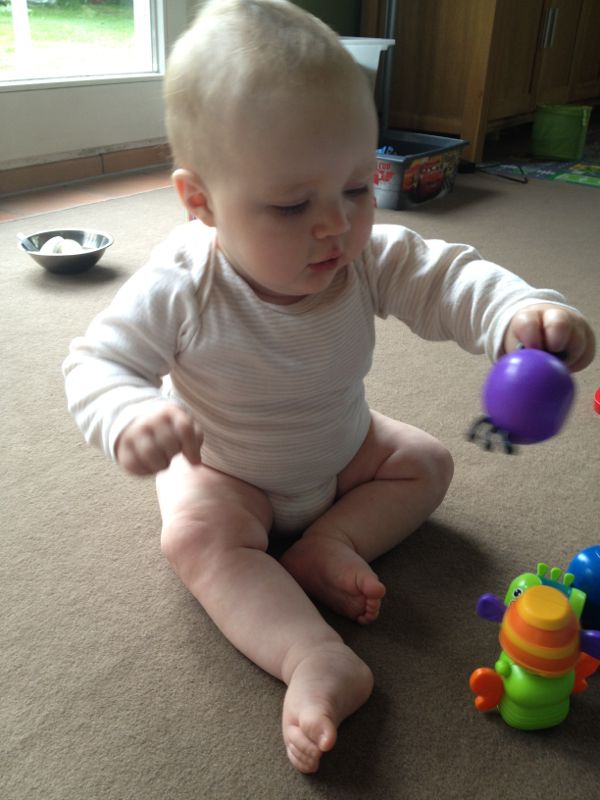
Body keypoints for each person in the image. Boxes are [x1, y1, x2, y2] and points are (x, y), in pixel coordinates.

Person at [63, 0, 595, 774]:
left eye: (356, 186)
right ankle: (312, 655)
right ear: (201, 201)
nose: (334, 226)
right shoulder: (182, 284)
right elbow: (96, 362)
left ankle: (331, 543)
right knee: (195, 539)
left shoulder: (364, 256)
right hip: (226, 470)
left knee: (427, 461)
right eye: (291, 204)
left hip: (344, 449)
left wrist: (520, 313)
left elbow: (447, 279)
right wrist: (128, 414)